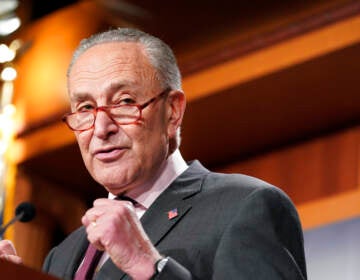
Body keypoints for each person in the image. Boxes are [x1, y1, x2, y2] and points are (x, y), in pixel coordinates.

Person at [0, 28, 307, 279]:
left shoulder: (244, 206)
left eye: (124, 102)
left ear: (172, 112)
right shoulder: (63, 254)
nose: (101, 127)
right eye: (85, 108)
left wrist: (150, 266)